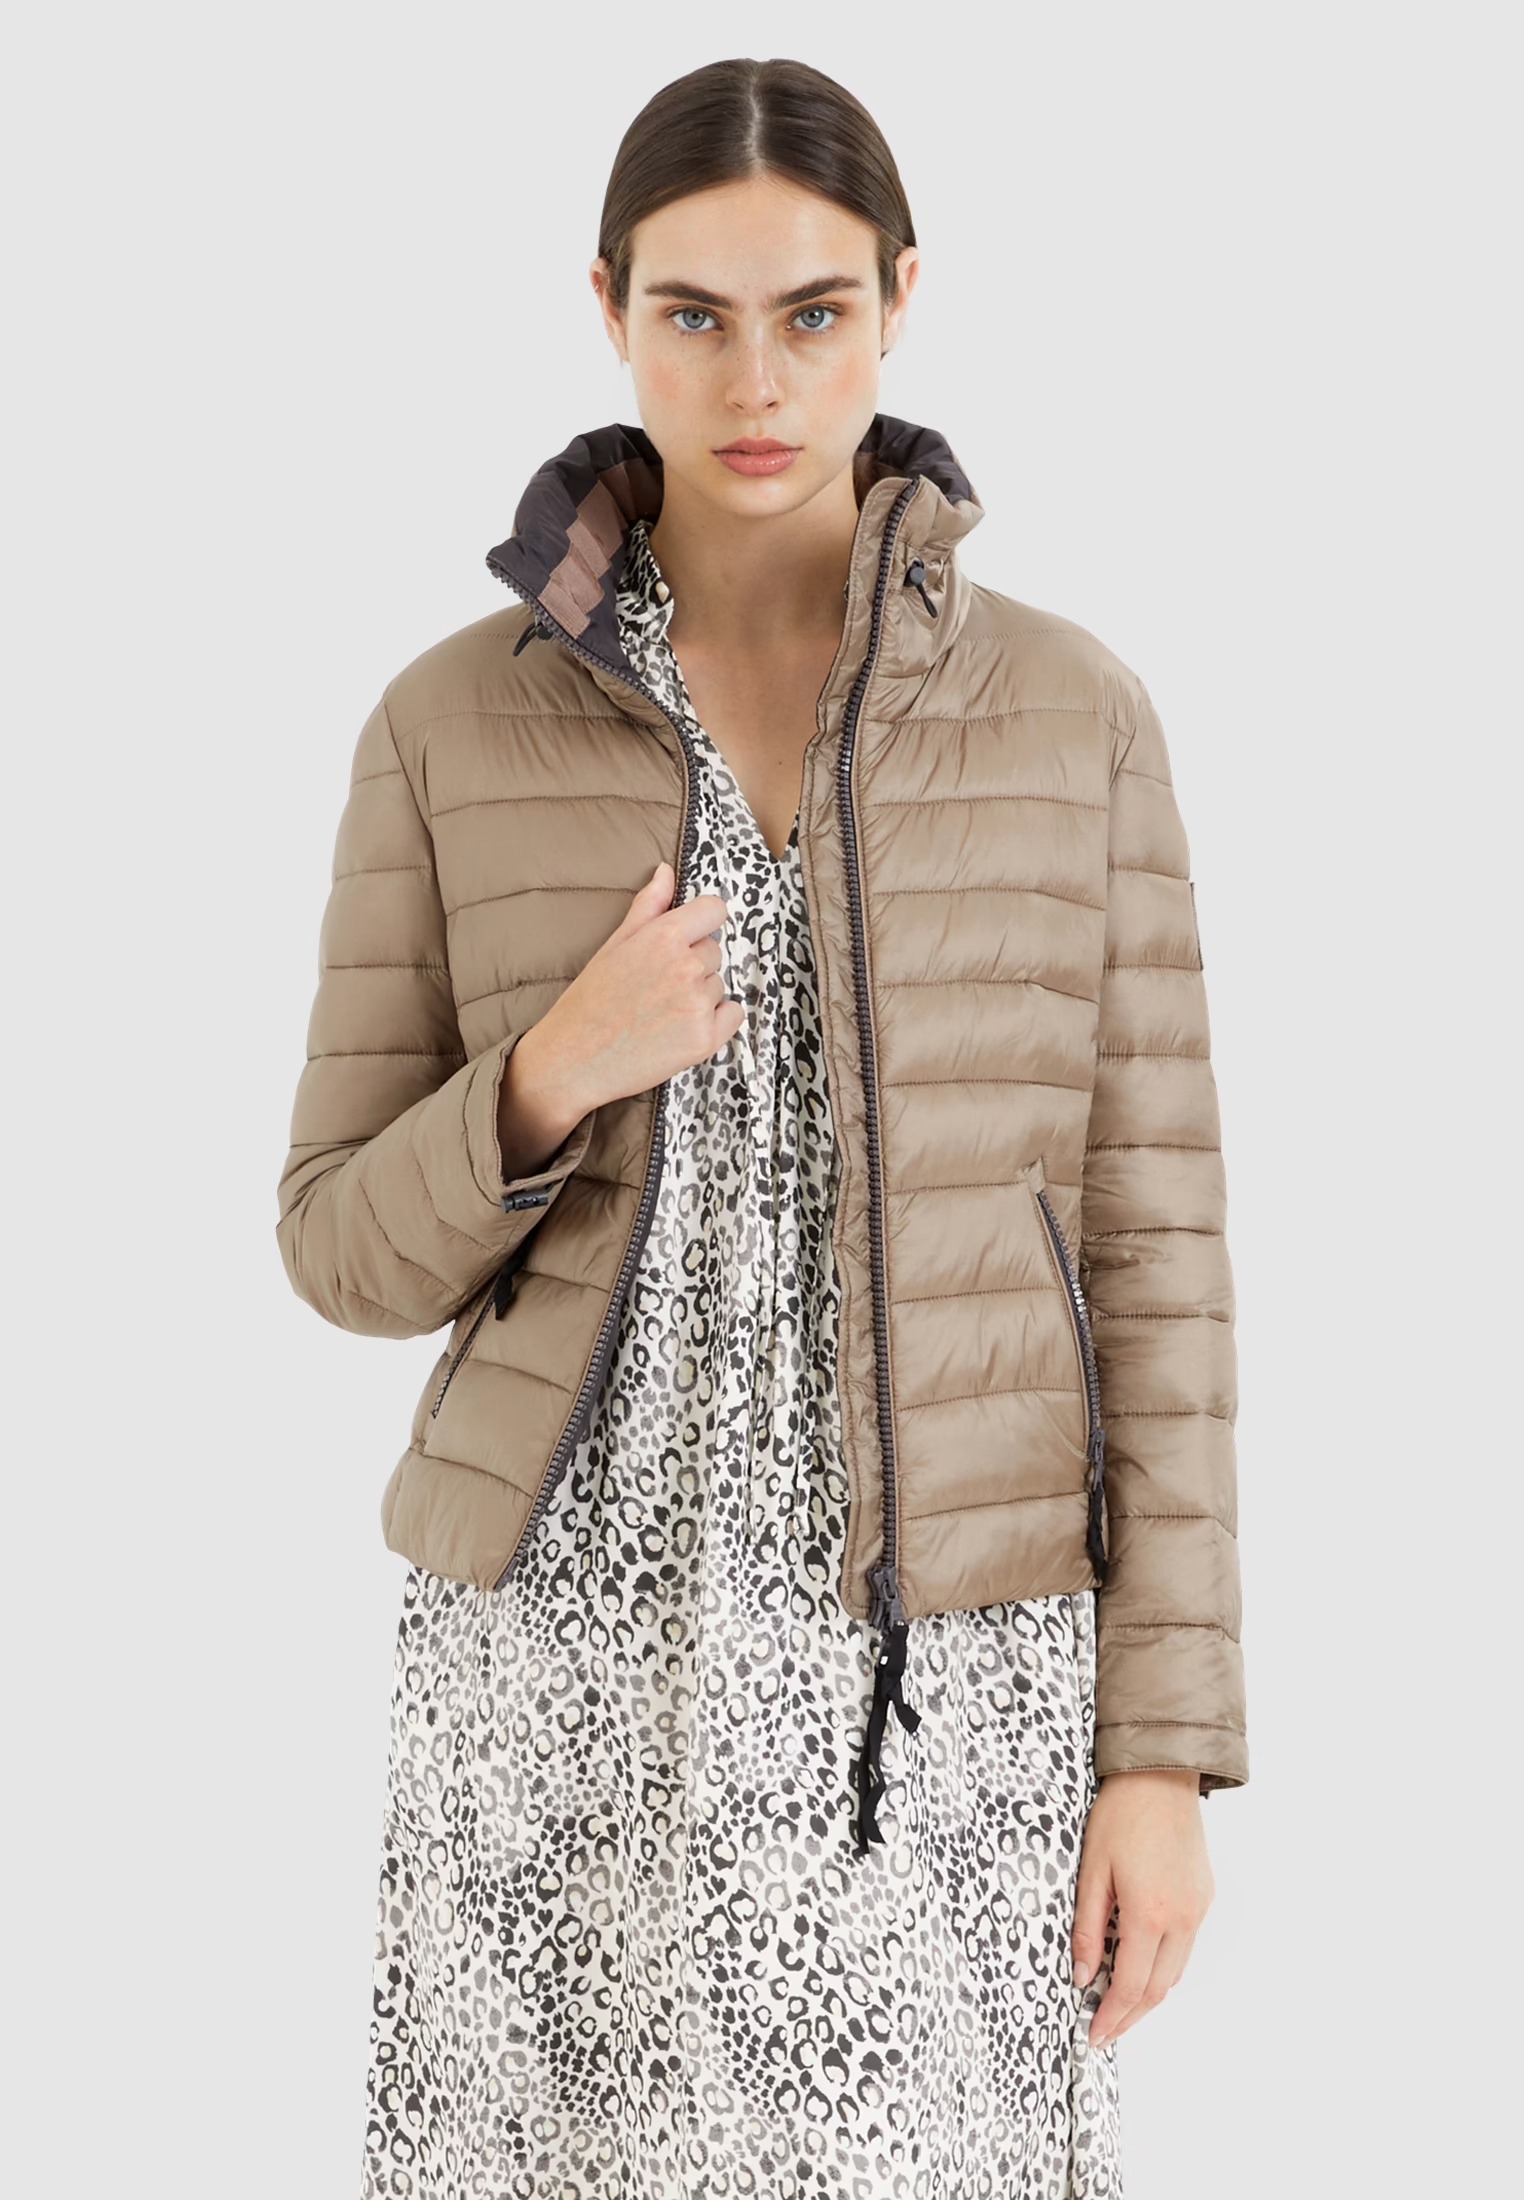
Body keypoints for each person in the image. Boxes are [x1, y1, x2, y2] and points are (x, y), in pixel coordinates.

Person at [275, 54, 1248, 2200]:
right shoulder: (449, 721)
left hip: (950, 1670)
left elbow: (1158, 1259)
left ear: (900, 300)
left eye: (812, 310)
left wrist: (1163, 1753)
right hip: (561, 1660)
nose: (757, 378)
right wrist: (552, 1068)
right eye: (693, 313)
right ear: (607, 309)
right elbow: (336, 1244)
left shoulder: (1071, 715)